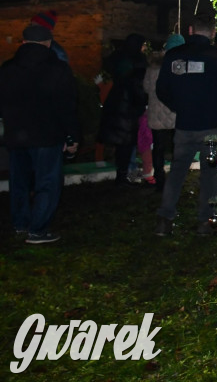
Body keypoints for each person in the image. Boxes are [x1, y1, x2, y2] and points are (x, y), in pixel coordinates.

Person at [155, 14, 217, 235]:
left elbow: (161, 90)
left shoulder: (174, 56)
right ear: (213, 33)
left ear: (190, 30)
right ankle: (205, 222)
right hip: (212, 125)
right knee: (210, 173)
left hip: (185, 124)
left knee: (177, 172)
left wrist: (179, 107)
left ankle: (164, 220)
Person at [0, 25, 79, 244]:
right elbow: (67, 106)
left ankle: (21, 223)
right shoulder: (58, 69)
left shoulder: (7, 69)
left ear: (23, 42)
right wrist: (71, 136)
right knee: (47, 182)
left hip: (17, 135)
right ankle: (38, 229)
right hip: (47, 135)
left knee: (19, 181)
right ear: (49, 43)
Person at [98, 34, 148, 185]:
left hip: (117, 102)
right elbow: (139, 86)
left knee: (122, 144)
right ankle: (122, 175)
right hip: (129, 106)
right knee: (126, 144)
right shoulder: (137, 61)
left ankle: (122, 173)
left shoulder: (118, 57)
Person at [143, 33, 184, 192]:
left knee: (158, 148)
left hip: (156, 113)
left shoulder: (153, 66)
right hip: (175, 113)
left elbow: (146, 87)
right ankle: (175, 180)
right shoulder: (179, 66)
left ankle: (159, 179)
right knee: (177, 148)